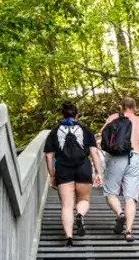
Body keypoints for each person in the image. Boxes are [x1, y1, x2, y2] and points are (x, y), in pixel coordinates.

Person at [43, 102, 103, 247]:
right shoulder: (85, 130)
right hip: (83, 167)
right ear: (77, 115)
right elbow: (94, 152)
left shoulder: (54, 131)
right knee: (84, 200)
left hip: (63, 170)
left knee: (66, 206)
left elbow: (49, 156)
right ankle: (80, 215)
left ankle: (69, 238)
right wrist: (98, 172)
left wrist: (52, 175)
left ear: (62, 115)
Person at [100, 96, 139, 242]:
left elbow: (102, 138)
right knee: (131, 197)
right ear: (134, 108)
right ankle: (128, 231)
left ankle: (120, 213)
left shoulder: (112, 118)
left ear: (121, 107)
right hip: (134, 158)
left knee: (110, 193)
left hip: (115, 158)